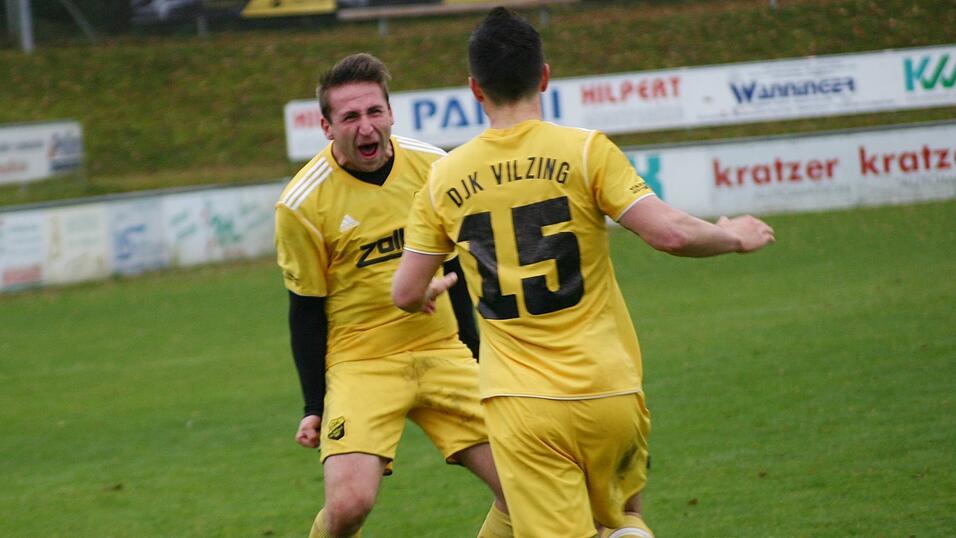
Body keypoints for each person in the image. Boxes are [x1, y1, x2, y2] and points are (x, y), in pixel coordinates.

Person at [391, 8, 775, 538]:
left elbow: (405, 291)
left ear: (474, 88)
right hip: (610, 391)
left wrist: (427, 291)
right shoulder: (586, 150)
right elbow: (671, 233)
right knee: (621, 523)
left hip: (523, 406)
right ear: (544, 75)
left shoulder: (442, 178)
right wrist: (732, 235)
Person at [274, 53, 511, 538]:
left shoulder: (434, 167)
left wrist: (476, 353)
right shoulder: (301, 204)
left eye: (374, 112)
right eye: (350, 117)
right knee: (348, 506)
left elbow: (458, 272)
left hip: (442, 350)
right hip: (361, 361)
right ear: (326, 126)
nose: (366, 127)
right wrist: (312, 405)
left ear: (391, 113)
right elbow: (306, 310)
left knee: (527, 487)